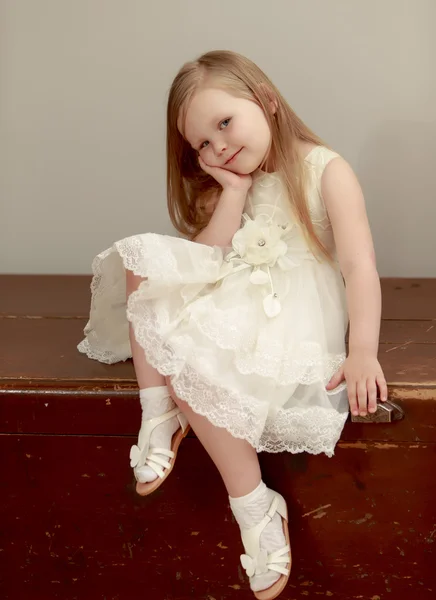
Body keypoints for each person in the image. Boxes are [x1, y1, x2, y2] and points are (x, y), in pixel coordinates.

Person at [78, 50, 388, 600]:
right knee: (141, 264)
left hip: (289, 312)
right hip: (236, 289)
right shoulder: (231, 182)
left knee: (196, 355)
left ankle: (253, 503)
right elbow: (210, 256)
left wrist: (362, 349)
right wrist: (235, 192)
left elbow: (360, 265)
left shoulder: (325, 169)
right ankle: (159, 416)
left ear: (266, 100)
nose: (217, 146)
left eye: (224, 124)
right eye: (202, 143)